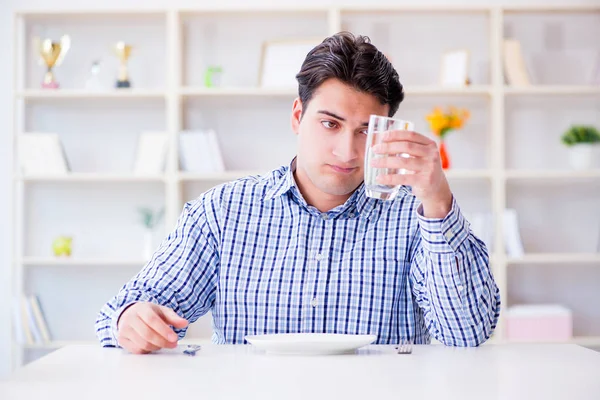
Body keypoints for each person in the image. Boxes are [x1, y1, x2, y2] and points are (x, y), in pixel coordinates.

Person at [96, 32, 500, 354]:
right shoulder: (223, 212)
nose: (347, 151)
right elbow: (123, 312)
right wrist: (131, 321)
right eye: (330, 124)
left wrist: (438, 202)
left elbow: (467, 334)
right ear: (297, 116)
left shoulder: (416, 217)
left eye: (365, 131)